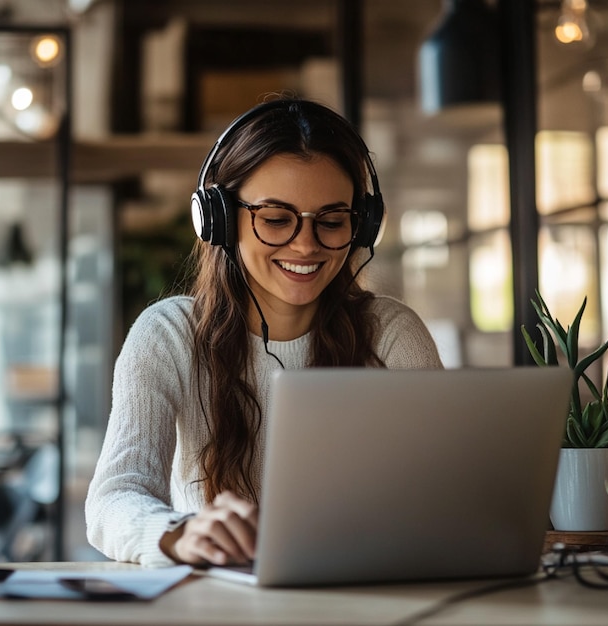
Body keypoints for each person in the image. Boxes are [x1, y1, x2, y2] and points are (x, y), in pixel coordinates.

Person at [85, 96, 443, 568]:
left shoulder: (392, 334)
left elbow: (446, 492)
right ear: (219, 219)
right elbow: (115, 496)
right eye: (276, 219)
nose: (306, 245)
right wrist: (179, 533)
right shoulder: (168, 335)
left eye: (332, 222)